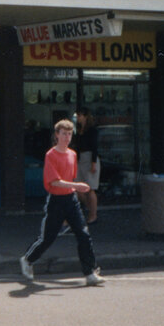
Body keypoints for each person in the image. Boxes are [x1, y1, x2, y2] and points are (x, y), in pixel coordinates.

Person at [19, 119, 105, 286]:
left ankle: (90, 273)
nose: (67, 137)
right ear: (56, 135)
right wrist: (77, 186)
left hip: (71, 200)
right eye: (63, 134)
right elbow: (54, 182)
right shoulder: (51, 155)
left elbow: (70, 177)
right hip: (56, 201)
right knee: (48, 238)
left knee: (83, 234)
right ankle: (27, 259)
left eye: (69, 134)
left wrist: (74, 188)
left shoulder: (72, 154)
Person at [73, 108, 99, 224]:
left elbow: (94, 147)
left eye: (79, 115)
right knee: (79, 188)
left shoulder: (92, 130)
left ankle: (93, 215)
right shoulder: (78, 130)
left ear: (85, 116)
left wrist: (93, 163)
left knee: (90, 188)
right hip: (80, 159)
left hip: (89, 158)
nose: (77, 117)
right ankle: (90, 208)